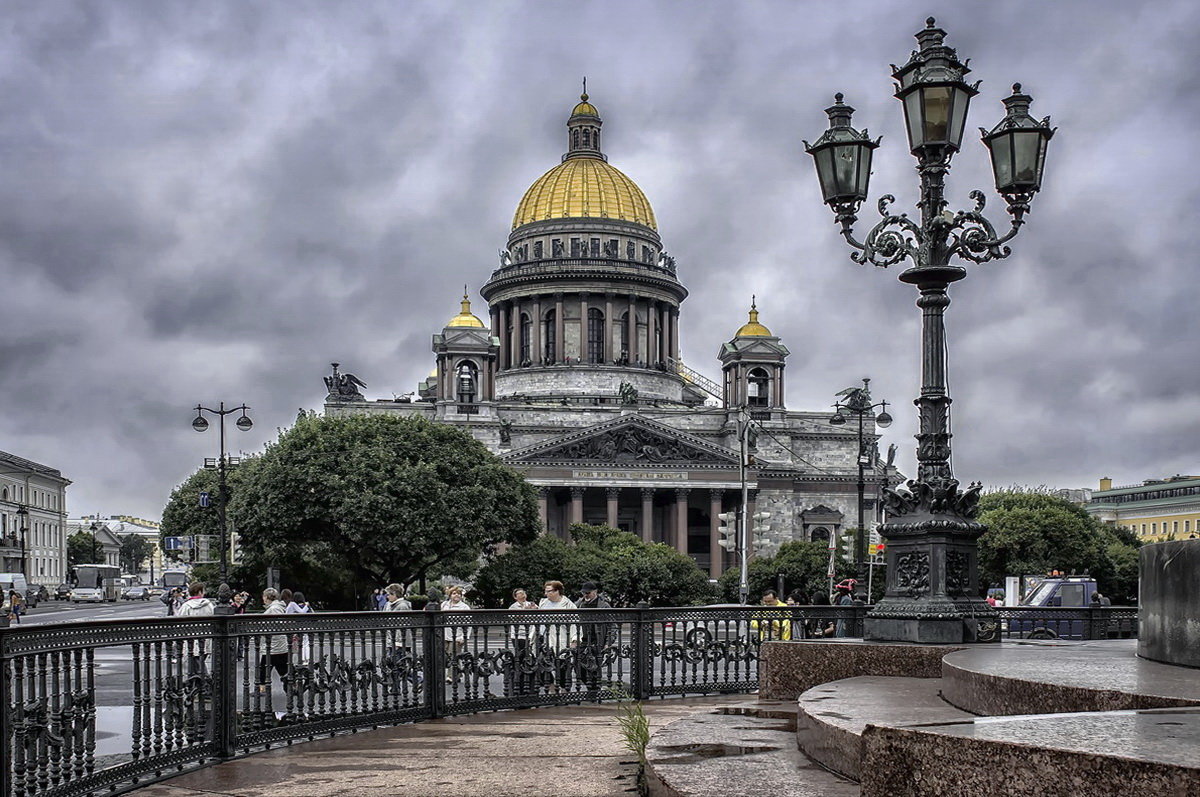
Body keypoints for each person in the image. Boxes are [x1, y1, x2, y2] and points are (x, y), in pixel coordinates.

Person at [537, 580, 577, 692]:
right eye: (545, 591)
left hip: (562, 638)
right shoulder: (544, 603)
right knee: (543, 665)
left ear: (557, 591)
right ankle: (552, 690)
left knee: (563, 666)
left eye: (549, 591)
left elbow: (575, 624)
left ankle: (564, 691)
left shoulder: (568, 605)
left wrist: (574, 640)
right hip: (546, 639)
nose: (546, 594)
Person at [576, 582, 614, 692]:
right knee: (579, 667)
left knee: (595, 669)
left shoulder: (603, 606)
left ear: (595, 592)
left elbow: (612, 626)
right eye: (584, 593)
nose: (585, 595)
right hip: (582, 640)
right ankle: (592, 688)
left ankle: (594, 691)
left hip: (598, 641)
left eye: (588, 593)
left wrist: (608, 642)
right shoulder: (579, 604)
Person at [258, 588, 290, 695]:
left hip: (273, 645)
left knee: (264, 668)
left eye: (263, 596)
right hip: (278, 644)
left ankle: (262, 689)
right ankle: (291, 686)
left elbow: (277, 624)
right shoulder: (277, 607)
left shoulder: (273, 609)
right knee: (282, 668)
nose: (262, 598)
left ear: (267, 597)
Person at [507, 588, 538, 695]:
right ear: (515, 597)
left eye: (524, 593)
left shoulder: (531, 604)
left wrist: (533, 610)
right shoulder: (514, 606)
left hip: (530, 634)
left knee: (529, 656)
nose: (523, 595)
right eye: (519, 594)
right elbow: (513, 618)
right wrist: (525, 610)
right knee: (520, 656)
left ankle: (529, 679)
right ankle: (519, 678)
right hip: (518, 635)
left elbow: (538, 615)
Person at [441, 586, 472, 685]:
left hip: (457, 635)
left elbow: (468, 624)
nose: (457, 595)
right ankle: (457, 674)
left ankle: (451, 677)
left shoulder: (464, 607)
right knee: (446, 656)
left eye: (459, 593)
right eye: (454, 593)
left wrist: (464, 637)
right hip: (445, 635)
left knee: (453, 656)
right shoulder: (444, 605)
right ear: (450, 595)